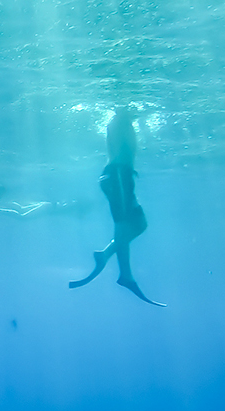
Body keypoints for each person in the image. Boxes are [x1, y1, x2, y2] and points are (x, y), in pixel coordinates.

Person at [69, 107, 166, 305]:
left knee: (139, 225)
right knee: (123, 229)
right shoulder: (120, 122)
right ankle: (125, 276)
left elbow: (121, 148)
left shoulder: (117, 122)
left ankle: (106, 256)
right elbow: (125, 148)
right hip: (118, 177)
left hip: (119, 175)